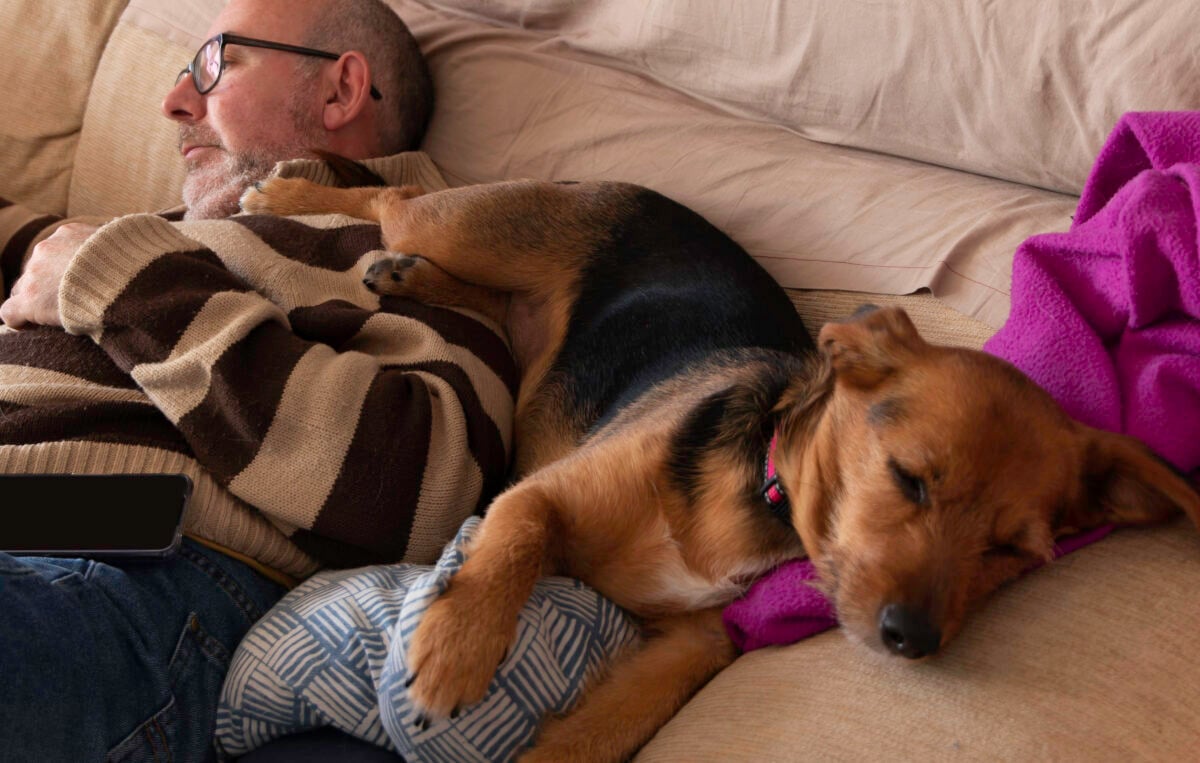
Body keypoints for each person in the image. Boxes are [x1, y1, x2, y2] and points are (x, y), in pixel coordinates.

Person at [0, 1, 515, 761]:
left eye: (217, 64)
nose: (174, 102)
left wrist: (120, 279)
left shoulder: (412, 249)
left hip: (126, 562)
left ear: (340, 92)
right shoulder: (165, 236)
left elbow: (425, 487)